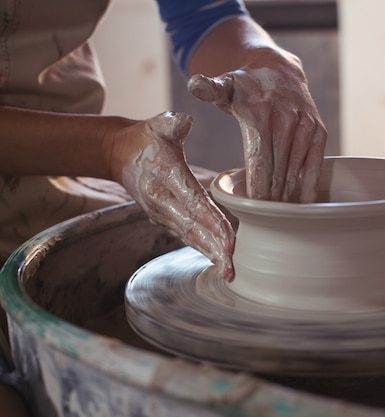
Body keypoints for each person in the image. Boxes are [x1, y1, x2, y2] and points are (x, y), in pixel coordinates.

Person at [0, 0, 327, 414]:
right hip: (78, 148)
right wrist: (108, 147)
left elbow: (206, 15)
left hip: (71, 171)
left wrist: (266, 61)